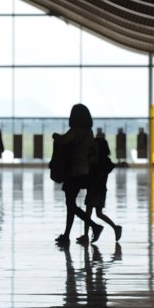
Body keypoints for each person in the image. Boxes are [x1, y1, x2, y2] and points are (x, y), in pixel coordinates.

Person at [53, 104, 103, 245]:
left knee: (71, 204)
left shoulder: (75, 131)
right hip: (84, 170)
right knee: (71, 204)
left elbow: (63, 140)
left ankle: (95, 226)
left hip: (73, 170)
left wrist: (55, 135)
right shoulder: (89, 132)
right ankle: (66, 235)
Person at [82, 136, 122, 243]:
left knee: (88, 212)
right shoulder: (106, 161)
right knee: (98, 213)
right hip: (101, 190)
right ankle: (115, 228)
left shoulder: (97, 162)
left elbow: (95, 175)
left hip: (94, 189)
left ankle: (86, 235)